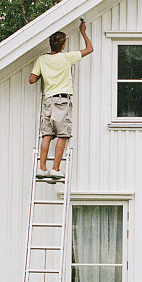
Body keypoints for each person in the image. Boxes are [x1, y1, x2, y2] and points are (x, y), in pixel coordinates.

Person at [28, 20, 93, 179]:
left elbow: (31, 79)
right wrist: (83, 32)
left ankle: (42, 169)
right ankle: (55, 168)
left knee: (47, 135)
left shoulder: (42, 60)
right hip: (61, 100)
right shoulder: (66, 57)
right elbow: (90, 49)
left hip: (48, 101)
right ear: (63, 46)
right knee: (63, 134)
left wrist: (44, 73)